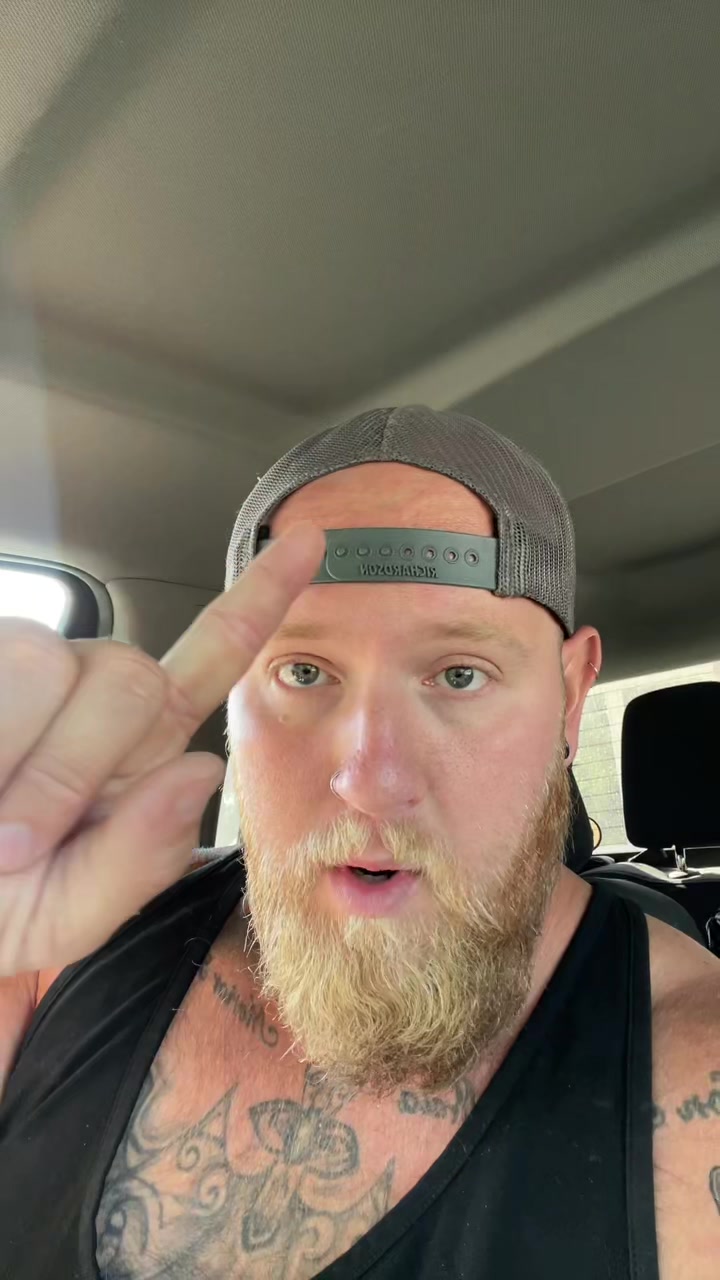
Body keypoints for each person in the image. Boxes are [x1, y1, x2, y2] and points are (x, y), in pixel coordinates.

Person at [0, 405, 717, 1280]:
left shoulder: (698, 1081)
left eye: (460, 674)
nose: (369, 781)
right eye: (302, 671)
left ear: (570, 699)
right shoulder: (58, 948)